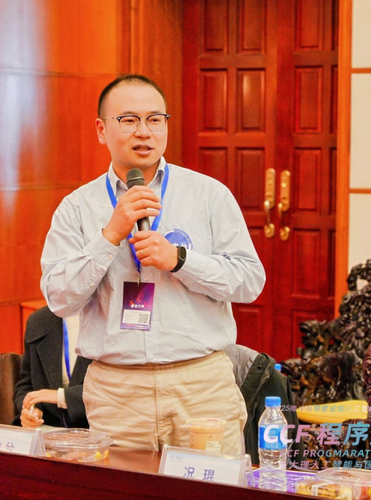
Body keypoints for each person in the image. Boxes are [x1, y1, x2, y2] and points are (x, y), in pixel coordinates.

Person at [40, 74, 266, 454]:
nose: (143, 131)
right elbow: (59, 299)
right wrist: (110, 235)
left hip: (200, 385)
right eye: (128, 120)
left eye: (155, 119)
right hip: (117, 392)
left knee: (212, 484)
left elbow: (249, 281)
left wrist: (179, 260)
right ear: (101, 130)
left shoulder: (208, 195)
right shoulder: (76, 208)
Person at [13, 305, 92, 428]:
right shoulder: (38, 320)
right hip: (48, 428)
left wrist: (62, 397)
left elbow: (115, 391)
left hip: (96, 427)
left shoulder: (112, 319)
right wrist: (33, 410)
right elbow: (26, 385)